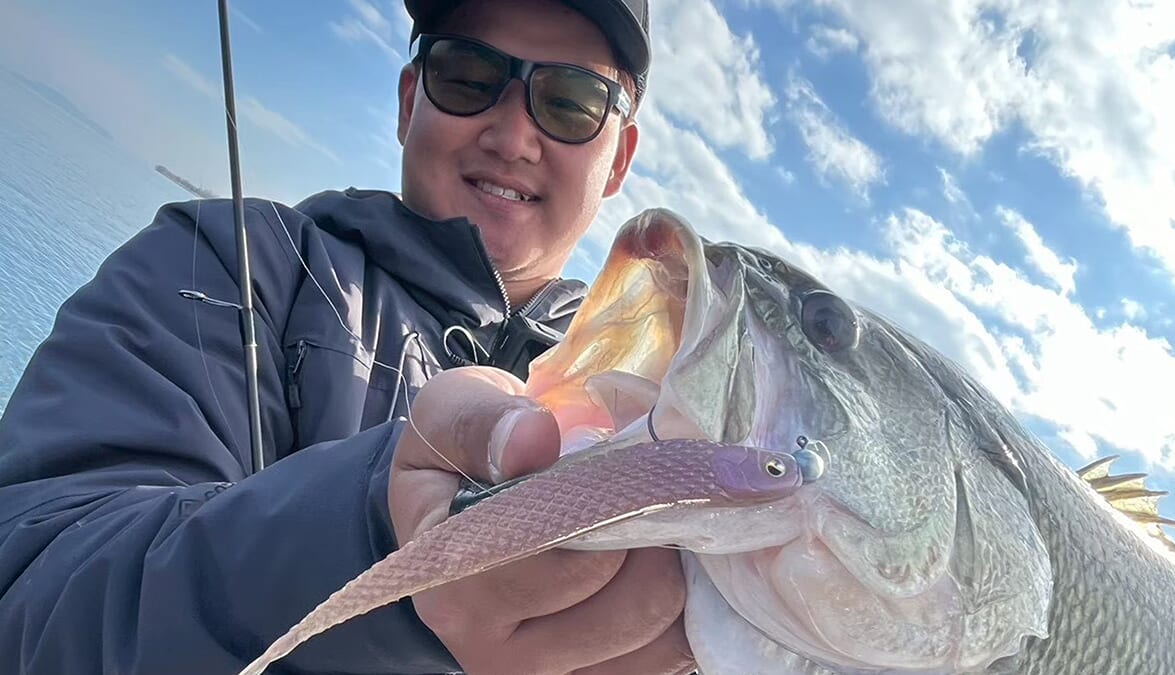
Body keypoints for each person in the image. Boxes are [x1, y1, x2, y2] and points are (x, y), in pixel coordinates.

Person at [0, 0, 696, 673]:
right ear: (406, 103)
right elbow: (32, 596)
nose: (513, 138)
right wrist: (380, 541)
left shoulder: (655, 402)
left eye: (571, 101)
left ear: (620, 159)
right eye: (467, 75)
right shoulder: (224, 260)